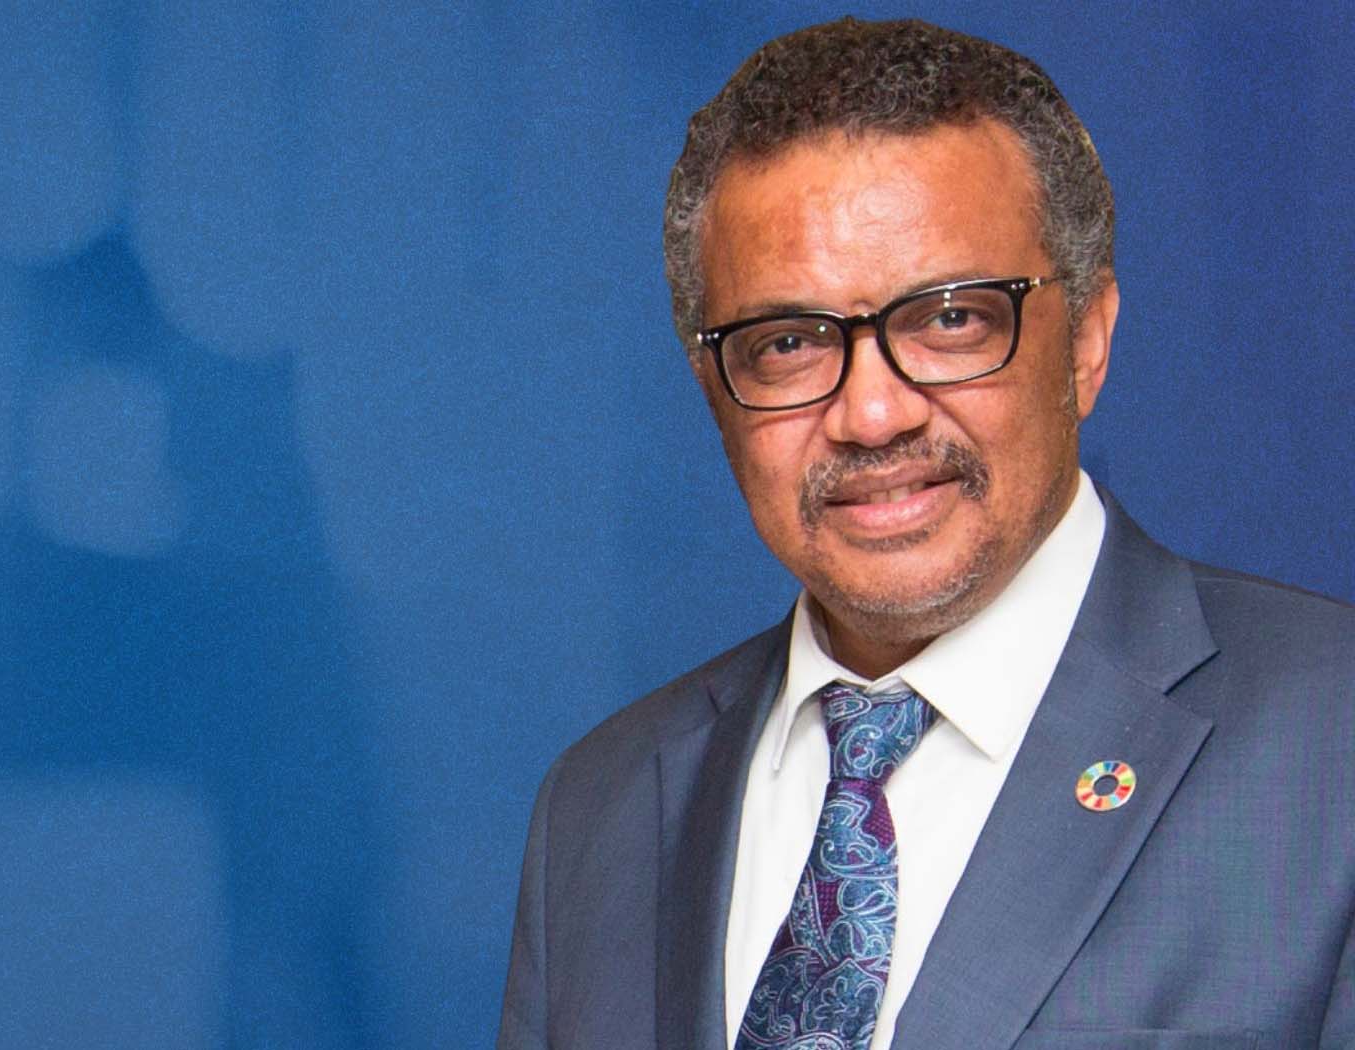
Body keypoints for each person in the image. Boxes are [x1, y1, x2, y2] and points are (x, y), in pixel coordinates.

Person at [497, 17, 1354, 1050]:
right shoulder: (601, 808)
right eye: (788, 342)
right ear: (713, 390)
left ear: (1086, 341)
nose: (872, 415)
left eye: (950, 319)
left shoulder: (1328, 744)